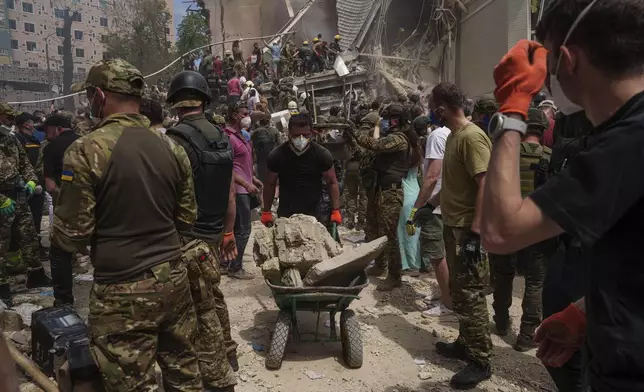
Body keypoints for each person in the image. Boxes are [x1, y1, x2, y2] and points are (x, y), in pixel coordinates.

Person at [482, 1, 644, 391]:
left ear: (568, 60)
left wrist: (513, 106)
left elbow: (501, 232)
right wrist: (586, 313)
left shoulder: (627, 142)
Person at [53, 59, 203, 391]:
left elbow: (72, 236)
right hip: (174, 280)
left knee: (132, 384)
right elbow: (187, 217)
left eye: (89, 95)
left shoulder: (86, 150)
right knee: (185, 374)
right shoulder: (172, 146)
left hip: (121, 291)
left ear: (99, 95)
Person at [165, 70, 238, 391]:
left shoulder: (175, 138)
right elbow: (231, 192)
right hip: (213, 229)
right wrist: (228, 231)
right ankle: (229, 350)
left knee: (197, 303)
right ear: (204, 101)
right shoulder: (221, 136)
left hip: (186, 234)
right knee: (213, 291)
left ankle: (214, 369)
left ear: (175, 103)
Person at [422, 83, 493, 388]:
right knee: (460, 290)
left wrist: (476, 232)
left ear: (441, 108)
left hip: (468, 229)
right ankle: (465, 343)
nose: (430, 111)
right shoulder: (452, 137)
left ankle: (480, 360)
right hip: (452, 225)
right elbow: (452, 184)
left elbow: (485, 186)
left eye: (432, 106)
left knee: (472, 294)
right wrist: (429, 205)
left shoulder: (472, 137)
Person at [488, 108, 554, 352]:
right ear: (543, 130)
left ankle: (502, 322)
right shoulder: (551, 157)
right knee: (535, 282)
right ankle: (526, 335)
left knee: (503, 276)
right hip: (537, 229)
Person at [346, 103, 421, 291]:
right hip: (379, 190)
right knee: (373, 228)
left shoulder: (399, 139)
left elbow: (375, 144)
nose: (383, 122)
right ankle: (380, 264)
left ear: (395, 121)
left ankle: (394, 275)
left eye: (386, 119)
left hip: (391, 192)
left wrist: (354, 131)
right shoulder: (394, 137)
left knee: (389, 234)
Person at [0, 103, 51, 306]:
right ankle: (3, 286)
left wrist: (31, 180)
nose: (9, 122)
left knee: (29, 235)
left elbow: (25, 163)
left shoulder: (10, 139)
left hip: (18, 195)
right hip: (2, 199)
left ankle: (36, 274)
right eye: (6, 117)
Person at [261, 113, 341, 226]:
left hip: (314, 214)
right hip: (287, 214)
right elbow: (270, 183)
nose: (301, 139)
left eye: (305, 135)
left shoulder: (321, 154)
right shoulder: (277, 155)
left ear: (312, 133)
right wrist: (266, 211)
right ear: (289, 133)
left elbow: (332, 182)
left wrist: (335, 210)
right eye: (296, 135)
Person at [406, 117, 452, 314]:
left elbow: (432, 176)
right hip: (450, 203)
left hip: (435, 205)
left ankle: (448, 304)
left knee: (436, 255)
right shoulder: (455, 133)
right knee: (448, 254)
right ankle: (448, 295)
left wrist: (417, 207)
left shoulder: (436, 136)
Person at [41, 112, 80, 307]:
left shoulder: (51, 148)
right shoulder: (87, 142)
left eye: (47, 130)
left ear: (57, 129)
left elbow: (49, 185)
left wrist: (62, 199)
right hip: (98, 206)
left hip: (67, 209)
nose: (45, 135)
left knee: (59, 252)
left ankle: (64, 300)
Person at [225, 101, 262, 280]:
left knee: (240, 228)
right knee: (244, 230)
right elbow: (228, 168)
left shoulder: (243, 135)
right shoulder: (228, 137)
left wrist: (252, 178)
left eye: (248, 113)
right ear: (233, 115)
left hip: (245, 187)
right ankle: (235, 266)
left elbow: (244, 163)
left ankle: (229, 263)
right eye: (243, 113)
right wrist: (246, 184)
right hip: (238, 190)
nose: (247, 116)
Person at [14, 112, 46, 241]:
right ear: (26, 124)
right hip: (25, 186)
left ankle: (36, 242)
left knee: (36, 215)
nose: (34, 124)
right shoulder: (19, 139)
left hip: (36, 183)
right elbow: (20, 163)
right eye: (32, 122)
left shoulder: (34, 140)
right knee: (25, 218)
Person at [251, 112, 281, 185]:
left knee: (262, 181)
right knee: (274, 182)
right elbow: (280, 144)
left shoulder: (254, 132)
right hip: (272, 158)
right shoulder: (275, 131)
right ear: (269, 120)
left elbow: (252, 146)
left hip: (260, 160)